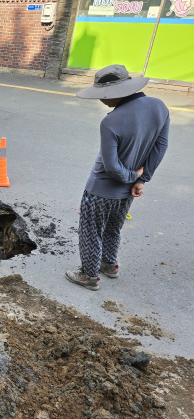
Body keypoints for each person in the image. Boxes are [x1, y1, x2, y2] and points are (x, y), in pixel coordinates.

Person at [65, 64, 169, 291]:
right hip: (129, 190)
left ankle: (89, 275)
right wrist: (141, 179)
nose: (101, 100)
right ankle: (109, 264)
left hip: (100, 189)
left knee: (91, 230)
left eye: (104, 96)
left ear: (118, 93)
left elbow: (111, 167)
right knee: (113, 227)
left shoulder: (111, 121)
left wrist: (134, 175)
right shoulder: (159, 107)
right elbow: (160, 148)